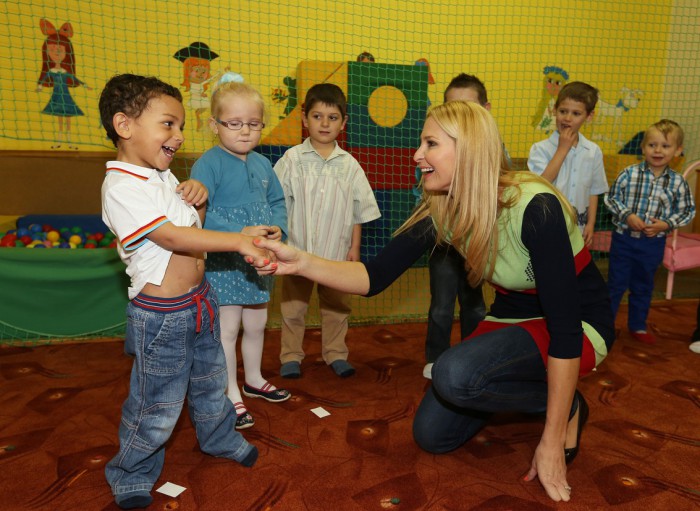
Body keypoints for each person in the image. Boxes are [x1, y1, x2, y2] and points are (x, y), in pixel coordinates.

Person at [250, 101, 615, 503]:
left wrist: (551, 438)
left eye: (430, 143)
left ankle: (567, 406)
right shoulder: (442, 206)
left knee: (453, 373)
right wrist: (300, 260)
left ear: (470, 151)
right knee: (432, 435)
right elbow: (373, 278)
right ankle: (533, 389)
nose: (416, 154)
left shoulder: (536, 208)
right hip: (514, 316)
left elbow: (563, 329)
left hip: (577, 323)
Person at [99, 74, 267, 509]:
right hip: (161, 317)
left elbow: (193, 228)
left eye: (179, 126)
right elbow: (173, 239)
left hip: (199, 301)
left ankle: (218, 438)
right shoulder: (121, 187)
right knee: (156, 404)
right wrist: (238, 240)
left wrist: (200, 201)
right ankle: (130, 472)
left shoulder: (160, 175)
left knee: (211, 384)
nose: (178, 135)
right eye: (168, 124)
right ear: (125, 125)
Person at [191, 79, 290, 431]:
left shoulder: (263, 164)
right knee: (227, 329)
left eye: (253, 123)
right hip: (224, 261)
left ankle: (254, 379)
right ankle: (230, 391)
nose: (245, 131)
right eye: (235, 123)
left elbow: (277, 202)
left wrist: (279, 227)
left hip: (258, 261)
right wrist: (236, 234)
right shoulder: (208, 164)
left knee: (257, 323)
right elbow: (197, 215)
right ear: (215, 125)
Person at [274, 83, 381, 379]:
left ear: (343, 123)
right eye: (318, 116)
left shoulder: (350, 165)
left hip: (336, 254)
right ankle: (291, 355)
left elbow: (359, 210)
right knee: (293, 307)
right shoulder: (292, 160)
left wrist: (354, 248)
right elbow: (277, 203)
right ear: (304, 118)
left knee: (337, 307)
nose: (324, 123)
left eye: (332, 117)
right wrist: (279, 239)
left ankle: (335, 353)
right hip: (298, 250)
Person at [419, 73, 513, 380]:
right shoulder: (433, 155)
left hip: (477, 240)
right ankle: (436, 359)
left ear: (485, 109)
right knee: (441, 305)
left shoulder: (495, 151)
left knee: (474, 306)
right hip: (445, 244)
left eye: (468, 107)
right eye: (451, 106)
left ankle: (473, 357)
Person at [605, 119, 695, 345]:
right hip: (623, 240)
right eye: (652, 145)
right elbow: (611, 198)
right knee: (615, 284)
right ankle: (604, 326)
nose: (658, 150)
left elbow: (687, 211)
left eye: (665, 146)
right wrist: (627, 215)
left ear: (677, 151)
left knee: (643, 285)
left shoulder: (677, 183)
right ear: (643, 147)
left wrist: (666, 224)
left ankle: (637, 326)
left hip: (652, 245)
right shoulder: (629, 174)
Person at [528, 81, 608, 246]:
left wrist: (590, 224)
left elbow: (594, 192)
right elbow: (542, 183)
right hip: (547, 227)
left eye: (576, 113)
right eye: (563, 111)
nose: (567, 118)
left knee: (575, 269)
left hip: (578, 229)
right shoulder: (539, 149)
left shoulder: (593, 151)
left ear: (589, 116)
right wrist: (562, 149)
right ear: (555, 110)